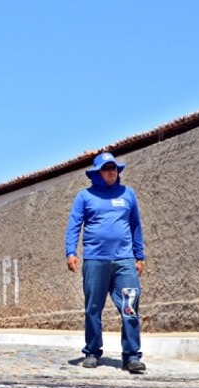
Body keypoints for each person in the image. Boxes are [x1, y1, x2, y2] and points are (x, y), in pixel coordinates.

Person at [64, 152, 147, 374]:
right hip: (95, 260)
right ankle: (92, 351)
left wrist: (139, 256)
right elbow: (74, 225)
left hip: (124, 261)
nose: (112, 171)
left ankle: (131, 356)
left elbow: (136, 226)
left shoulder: (128, 194)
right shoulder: (84, 196)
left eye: (114, 168)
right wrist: (70, 252)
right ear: (97, 173)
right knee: (93, 307)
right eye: (107, 168)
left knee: (130, 306)